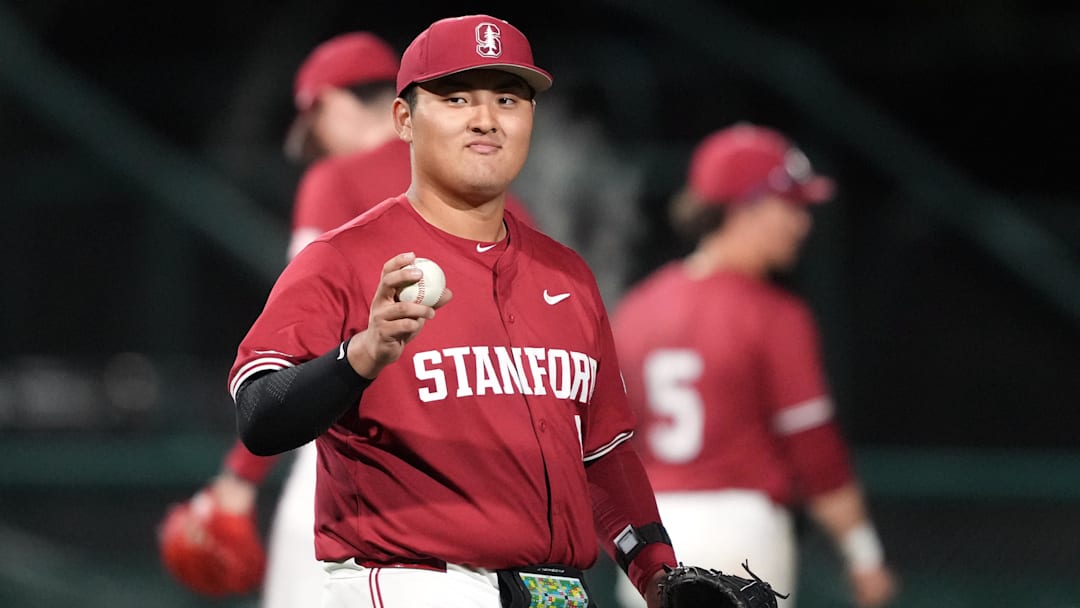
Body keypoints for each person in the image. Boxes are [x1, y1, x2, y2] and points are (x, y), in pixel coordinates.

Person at [227, 14, 678, 608]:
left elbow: (601, 453)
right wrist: (358, 357)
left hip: (556, 593)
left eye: (508, 99)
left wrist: (658, 575)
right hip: (418, 581)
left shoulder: (566, 275)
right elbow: (260, 413)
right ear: (404, 120)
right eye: (457, 97)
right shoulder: (341, 259)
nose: (486, 118)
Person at [611, 124, 899, 607]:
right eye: (791, 205)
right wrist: (863, 553)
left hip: (652, 538)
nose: (802, 222)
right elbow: (816, 453)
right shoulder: (774, 314)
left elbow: (609, 445)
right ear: (746, 206)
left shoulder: (636, 309)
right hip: (742, 536)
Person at [172, 31, 402, 608]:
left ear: (329, 103)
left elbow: (302, 346)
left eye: (315, 126)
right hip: (477, 476)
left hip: (354, 459)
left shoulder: (336, 180)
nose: (317, 146)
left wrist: (237, 479)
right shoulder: (491, 198)